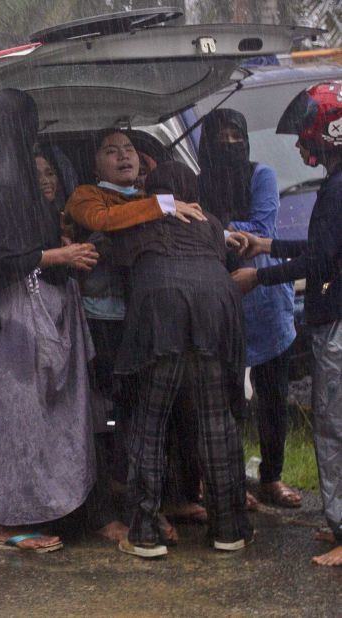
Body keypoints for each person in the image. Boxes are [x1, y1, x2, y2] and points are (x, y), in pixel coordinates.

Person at [0, 89, 99, 552]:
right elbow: (2, 258)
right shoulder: (3, 184)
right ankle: (4, 523)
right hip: (17, 312)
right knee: (17, 416)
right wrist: (60, 252)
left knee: (26, 416)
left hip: (28, 306)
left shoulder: (9, 178)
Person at [103, 159, 254, 558]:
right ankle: (229, 528)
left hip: (161, 315)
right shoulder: (210, 222)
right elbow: (227, 260)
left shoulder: (138, 220)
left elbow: (113, 259)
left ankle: (146, 533)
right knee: (216, 423)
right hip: (215, 313)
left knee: (149, 422)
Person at [232, 81, 342, 567]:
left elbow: (320, 263)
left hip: (337, 319)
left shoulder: (339, 188)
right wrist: (268, 247)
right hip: (334, 315)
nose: (300, 145)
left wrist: (259, 276)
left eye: (305, 136)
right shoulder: (336, 185)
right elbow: (323, 249)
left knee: (335, 426)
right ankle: (338, 521)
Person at [199, 108, 300, 508]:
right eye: (221, 139)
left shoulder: (263, 176)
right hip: (220, 301)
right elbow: (197, 229)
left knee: (273, 397)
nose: (229, 145)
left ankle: (272, 477)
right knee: (225, 400)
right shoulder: (199, 184)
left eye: (235, 138)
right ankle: (228, 483)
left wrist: (219, 229)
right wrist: (221, 232)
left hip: (265, 297)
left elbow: (261, 228)